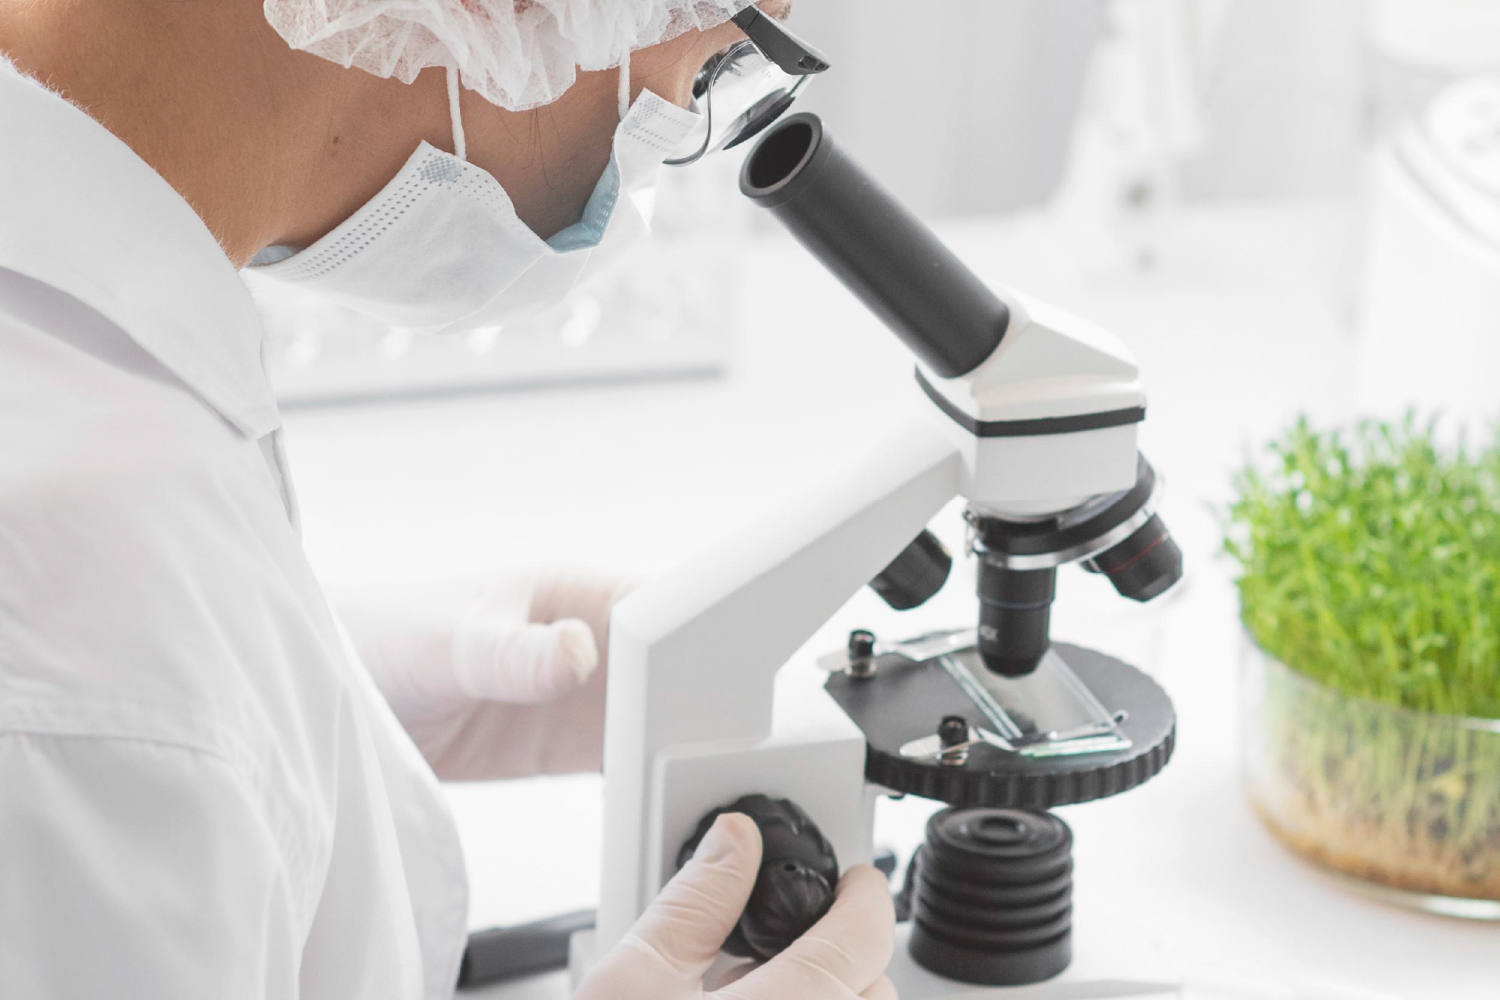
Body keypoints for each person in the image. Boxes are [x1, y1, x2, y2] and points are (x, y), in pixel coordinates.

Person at [0, 1, 895, 997]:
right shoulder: (86, 613)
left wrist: (320, 705)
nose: (688, 113)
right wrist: (173, 725)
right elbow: (76, 697)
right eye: (731, 52)